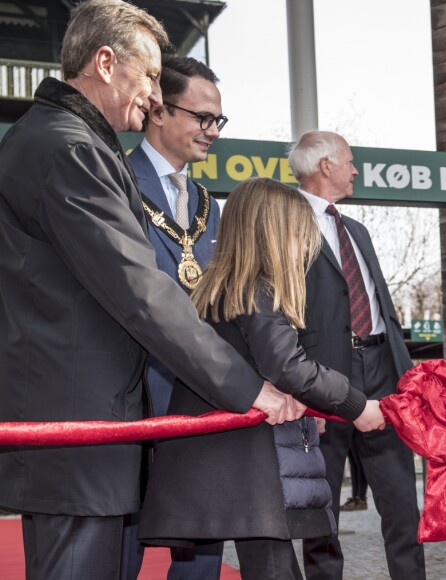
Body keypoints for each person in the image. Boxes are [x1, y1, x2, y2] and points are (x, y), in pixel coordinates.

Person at [0, 2, 296, 578]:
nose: (158, 96)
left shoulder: (70, 141)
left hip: (88, 426)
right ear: (106, 62)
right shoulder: (70, 148)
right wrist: (245, 386)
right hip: (79, 431)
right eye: (153, 75)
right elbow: (139, 290)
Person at [137, 177, 386, 579]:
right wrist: (355, 404)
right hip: (252, 470)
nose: (308, 247)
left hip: (223, 462)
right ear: (276, 234)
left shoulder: (218, 291)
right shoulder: (260, 290)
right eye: (301, 235)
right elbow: (287, 366)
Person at [287, 131, 426, 580]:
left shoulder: (357, 230)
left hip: (384, 375)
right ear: (325, 165)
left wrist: (406, 374)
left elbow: (380, 304)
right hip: (324, 382)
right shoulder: (285, 225)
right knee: (322, 506)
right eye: (349, 161)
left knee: (403, 502)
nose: (355, 170)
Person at [122, 55, 225, 579]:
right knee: (122, 548)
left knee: (201, 550)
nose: (212, 132)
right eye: (202, 118)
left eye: (217, 121)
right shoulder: (116, 181)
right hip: (131, 398)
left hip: (199, 401)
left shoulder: (210, 204)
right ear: (159, 110)